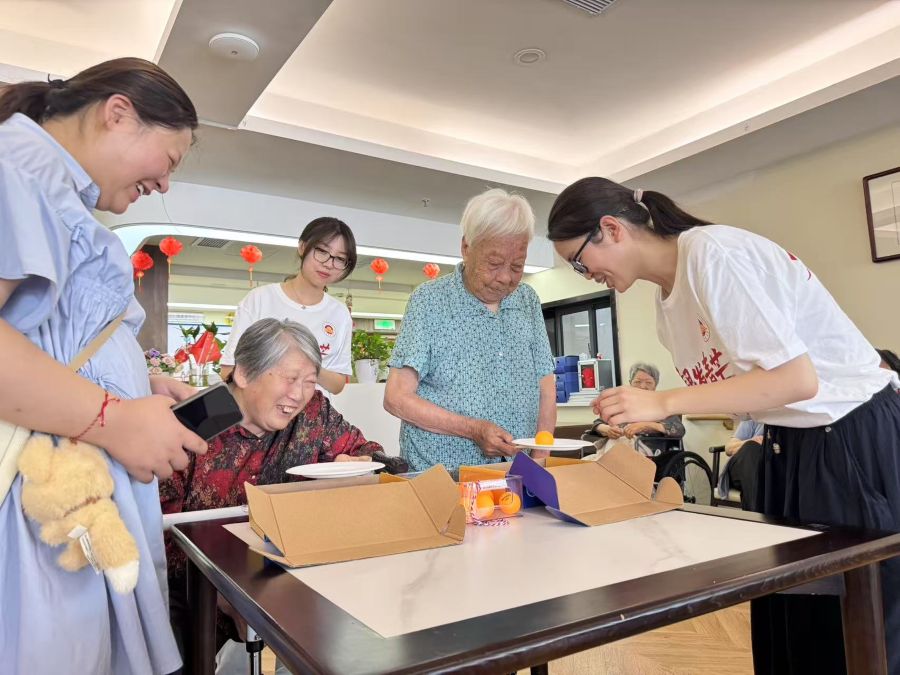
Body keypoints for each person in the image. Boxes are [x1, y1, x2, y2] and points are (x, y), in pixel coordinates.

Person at [547, 176, 900, 675]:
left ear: (611, 228)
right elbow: (748, 398)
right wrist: (648, 412)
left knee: (855, 626)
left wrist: (663, 401)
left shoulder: (713, 254)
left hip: (847, 435)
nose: (586, 276)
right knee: (791, 618)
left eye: (581, 262)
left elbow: (797, 381)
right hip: (789, 443)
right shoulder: (667, 304)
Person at [0, 58, 208, 674]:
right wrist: (114, 419)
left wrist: (139, 382)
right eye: (168, 162)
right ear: (118, 113)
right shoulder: (23, 167)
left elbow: (47, 337)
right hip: (49, 491)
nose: (164, 185)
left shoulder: (45, 179)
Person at [160, 318, 382, 673]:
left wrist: (356, 465)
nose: (298, 394)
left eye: (309, 381)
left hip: (280, 579)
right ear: (244, 373)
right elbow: (158, 531)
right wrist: (225, 594)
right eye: (289, 378)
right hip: (191, 587)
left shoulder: (314, 413)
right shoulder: (194, 420)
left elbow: (366, 451)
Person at [384, 188, 556, 473]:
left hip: (515, 473)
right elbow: (396, 398)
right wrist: (472, 429)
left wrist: (539, 462)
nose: (505, 278)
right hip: (441, 475)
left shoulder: (527, 301)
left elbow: (546, 389)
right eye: (494, 264)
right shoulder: (430, 301)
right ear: (466, 248)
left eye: (517, 266)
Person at [220, 217, 357, 395]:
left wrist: (309, 364)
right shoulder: (259, 299)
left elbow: (337, 385)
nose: (329, 264)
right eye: (322, 251)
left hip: (314, 411)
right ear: (302, 247)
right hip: (261, 408)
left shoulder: (339, 313)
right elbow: (228, 370)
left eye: (340, 259)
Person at [586, 362, 685, 456]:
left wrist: (646, 425)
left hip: (648, 455)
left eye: (648, 382)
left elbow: (679, 429)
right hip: (615, 449)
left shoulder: (661, 407)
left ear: (655, 385)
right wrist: (607, 429)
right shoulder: (621, 405)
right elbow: (597, 424)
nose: (642, 386)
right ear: (630, 383)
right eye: (637, 382)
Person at [717, 419, 765, 511]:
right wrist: (751, 441)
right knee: (751, 448)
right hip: (743, 468)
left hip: (770, 473)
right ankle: (755, 515)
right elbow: (729, 448)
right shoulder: (753, 417)